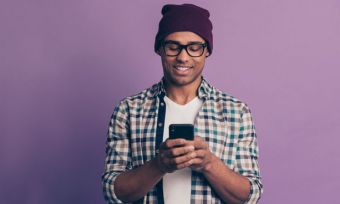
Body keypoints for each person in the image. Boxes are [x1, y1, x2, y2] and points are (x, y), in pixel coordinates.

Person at [102, 3, 263, 204]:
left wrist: (209, 163)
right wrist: (159, 165)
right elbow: (113, 191)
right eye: (173, 47)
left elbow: (250, 195)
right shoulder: (129, 110)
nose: (183, 57)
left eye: (194, 47)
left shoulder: (236, 112)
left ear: (207, 51)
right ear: (160, 49)